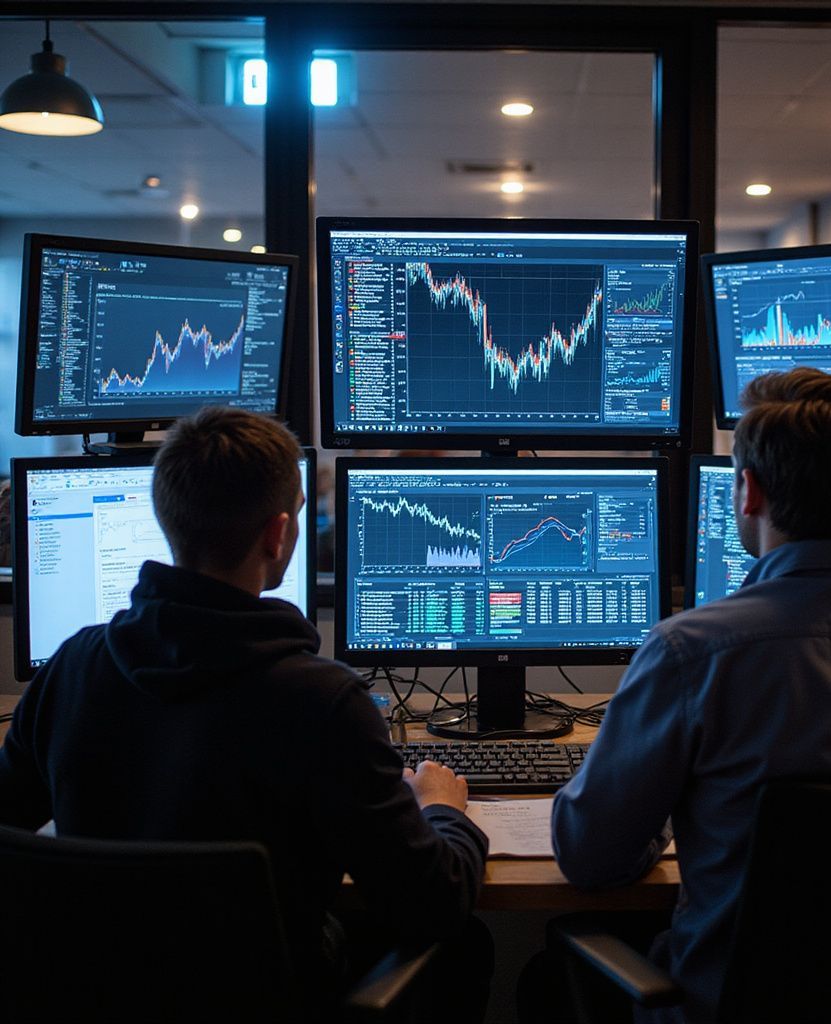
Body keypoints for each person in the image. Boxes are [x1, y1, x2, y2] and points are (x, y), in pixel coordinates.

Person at [535, 368, 831, 1024]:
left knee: (544, 977)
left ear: (749, 491)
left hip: (730, 1005)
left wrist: (668, 820)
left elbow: (589, 855)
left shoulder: (691, 653)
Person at [0, 407, 490, 1021]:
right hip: (269, 998)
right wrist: (444, 808)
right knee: (466, 944)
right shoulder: (325, 702)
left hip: (97, 996)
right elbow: (434, 903)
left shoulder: (71, 667)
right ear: (278, 533)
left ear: (165, 517)